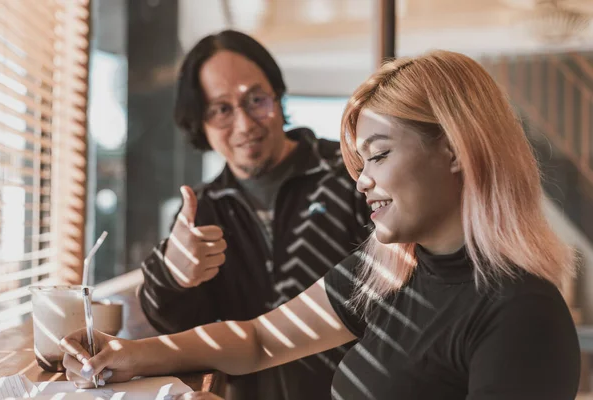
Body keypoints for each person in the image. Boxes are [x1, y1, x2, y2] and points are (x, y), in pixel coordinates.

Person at [61, 50, 581, 400]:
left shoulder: (521, 315)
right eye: (360, 164)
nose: (361, 182)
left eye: (377, 156)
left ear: (453, 149)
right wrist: (127, 355)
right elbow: (260, 339)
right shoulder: (393, 269)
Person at [136, 30, 370, 400]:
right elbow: (182, 329)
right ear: (200, 121)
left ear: (277, 95)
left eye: (256, 100)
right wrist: (171, 276)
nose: (245, 125)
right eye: (222, 109)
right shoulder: (202, 210)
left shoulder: (351, 174)